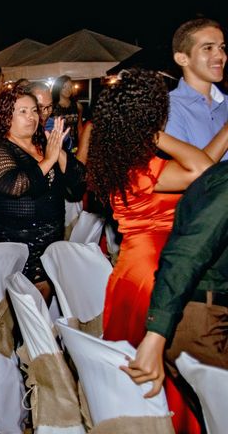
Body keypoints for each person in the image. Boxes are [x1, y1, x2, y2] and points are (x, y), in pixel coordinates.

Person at [86, 68, 226, 433]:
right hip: (155, 268)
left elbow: (200, 166)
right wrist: (156, 133)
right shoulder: (143, 164)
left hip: (129, 267)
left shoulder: (121, 159)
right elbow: (204, 170)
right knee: (161, 373)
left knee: (137, 366)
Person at [121, 160, 228, 427]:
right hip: (202, 322)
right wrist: (156, 335)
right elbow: (186, 255)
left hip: (198, 312)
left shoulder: (218, 175)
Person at [0, 86, 85, 303]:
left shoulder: (44, 145)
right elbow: (15, 185)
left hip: (48, 244)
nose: (32, 117)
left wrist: (60, 154)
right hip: (13, 245)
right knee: (20, 313)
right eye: (23, 112)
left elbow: (79, 185)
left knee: (40, 309)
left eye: (34, 111)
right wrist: (49, 160)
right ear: (7, 116)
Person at [166, 17, 228, 161]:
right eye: (208, 48)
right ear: (182, 59)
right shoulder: (168, 108)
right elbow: (192, 173)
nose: (220, 55)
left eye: (222, 47)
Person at [51, 75, 83, 152]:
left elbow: (79, 127)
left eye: (70, 86)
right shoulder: (52, 107)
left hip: (74, 145)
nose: (68, 89)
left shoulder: (78, 106)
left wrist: (82, 145)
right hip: (57, 146)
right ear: (58, 88)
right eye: (64, 87)